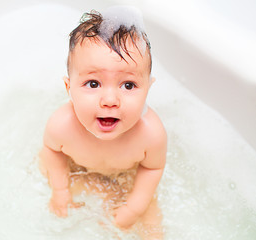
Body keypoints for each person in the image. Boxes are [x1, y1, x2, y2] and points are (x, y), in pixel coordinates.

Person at [39, 7, 167, 239]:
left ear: (148, 88)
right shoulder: (61, 125)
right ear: (69, 89)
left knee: (152, 223)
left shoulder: (151, 134)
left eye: (128, 85)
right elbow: (52, 152)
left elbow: (152, 168)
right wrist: (60, 190)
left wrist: (134, 208)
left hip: (128, 176)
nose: (109, 101)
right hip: (78, 169)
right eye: (93, 84)